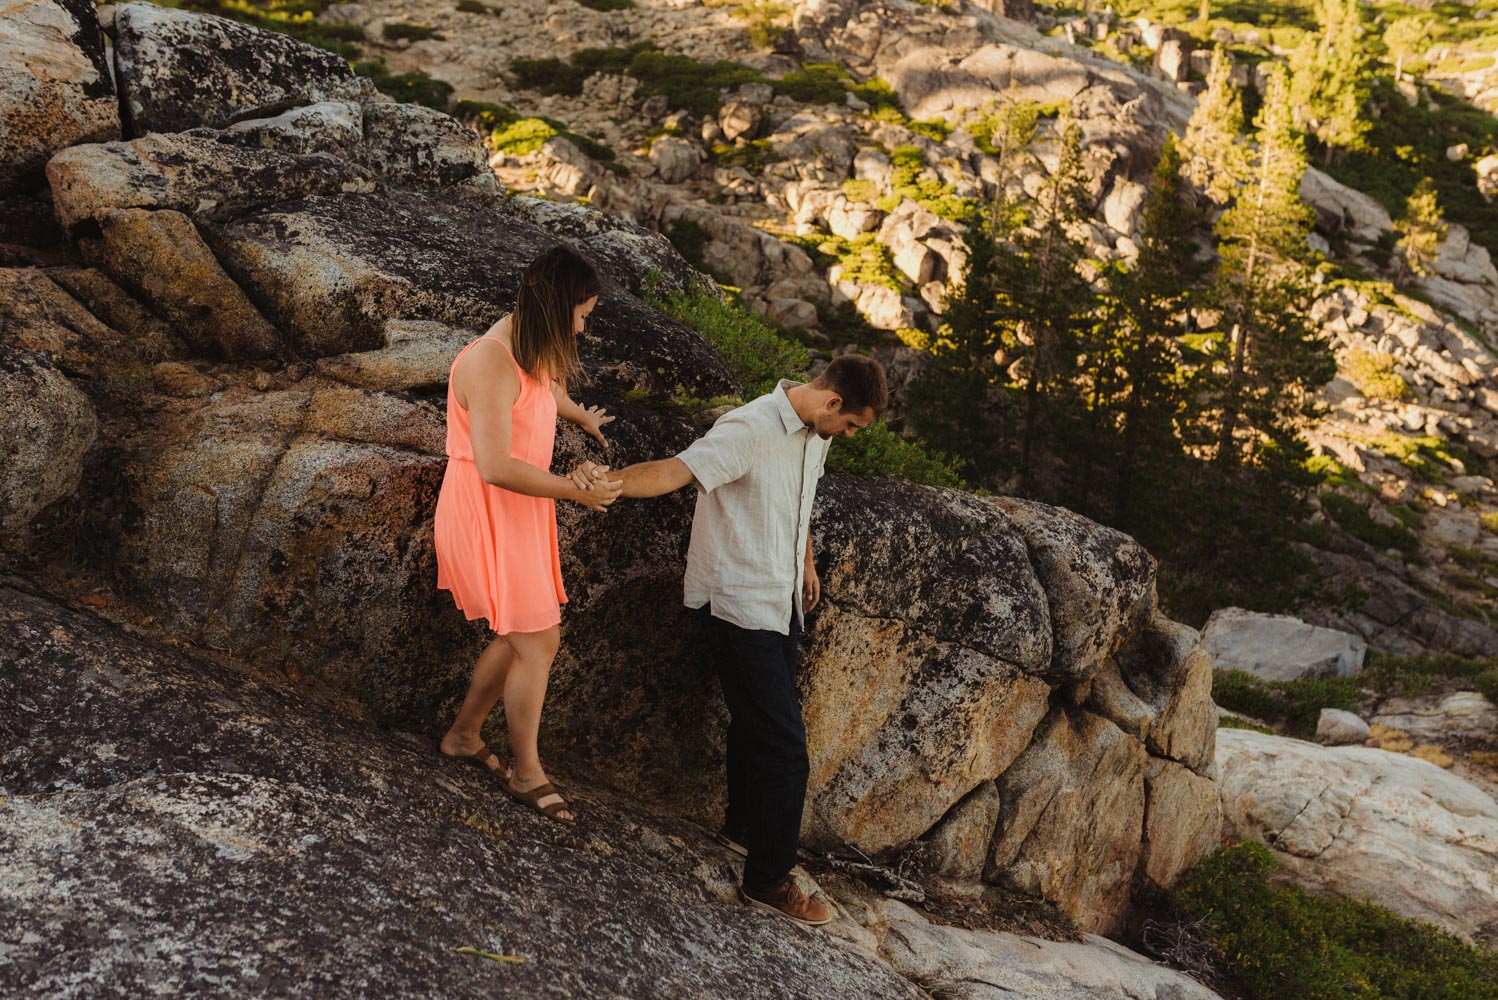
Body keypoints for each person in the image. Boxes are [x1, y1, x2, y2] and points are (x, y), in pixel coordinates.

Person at [608, 355, 889, 925]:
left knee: (753, 722)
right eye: (854, 425)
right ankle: (768, 880)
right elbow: (676, 471)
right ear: (833, 402)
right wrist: (600, 484)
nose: (851, 435)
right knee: (787, 750)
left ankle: (743, 828)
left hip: (780, 600)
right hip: (737, 603)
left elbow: (800, 501)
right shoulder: (749, 427)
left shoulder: (815, 434)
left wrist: (805, 563)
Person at [434, 244, 622, 826]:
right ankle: (526, 771)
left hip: (520, 511)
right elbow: (492, 464)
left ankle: (465, 736)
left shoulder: (533, 346)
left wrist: (579, 415)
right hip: (487, 510)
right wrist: (575, 489)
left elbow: (546, 389)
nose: (584, 325)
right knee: (537, 639)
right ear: (558, 306)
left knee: (525, 634)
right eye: (582, 313)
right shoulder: (489, 361)